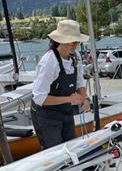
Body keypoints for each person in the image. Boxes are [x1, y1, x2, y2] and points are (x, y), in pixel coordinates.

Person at [31, 19, 91, 149]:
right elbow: (39, 98)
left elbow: (79, 81)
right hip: (46, 115)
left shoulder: (76, 57)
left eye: (77, 41)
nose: (74, 44)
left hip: (65, 111)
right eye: (71, 41)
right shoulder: (49, 62)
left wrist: (84, 99)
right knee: (55, 152)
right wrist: (70, 99)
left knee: (71, 148)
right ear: (60, 40)